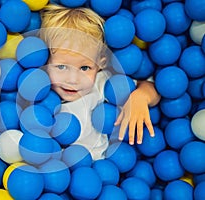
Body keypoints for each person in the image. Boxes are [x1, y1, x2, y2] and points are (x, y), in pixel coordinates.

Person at [39, 4, 161, 160]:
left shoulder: (102, 83)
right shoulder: (40, 93)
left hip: (100, 167)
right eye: (61, 67)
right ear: (45, 62)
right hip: (55, 168)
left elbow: (154, 88)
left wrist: (141, 97)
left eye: (84, 68)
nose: (73, 80)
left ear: (100, 64)